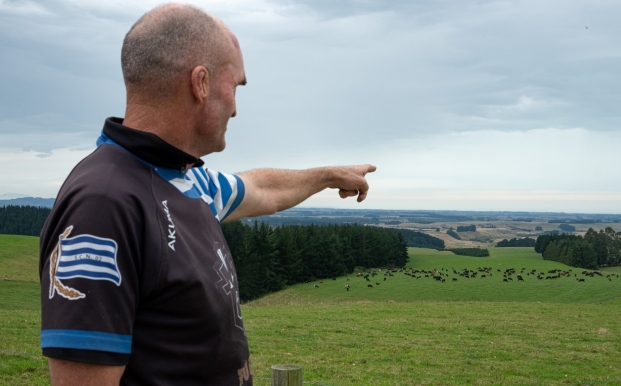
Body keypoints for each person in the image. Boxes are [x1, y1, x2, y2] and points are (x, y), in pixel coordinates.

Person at [39, 3, 376, 385]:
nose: (235, 107)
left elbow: (262, 188)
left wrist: (329, 175)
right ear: (200, 84)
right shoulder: (104, 205)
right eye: (235, 86)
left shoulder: (186, 182)